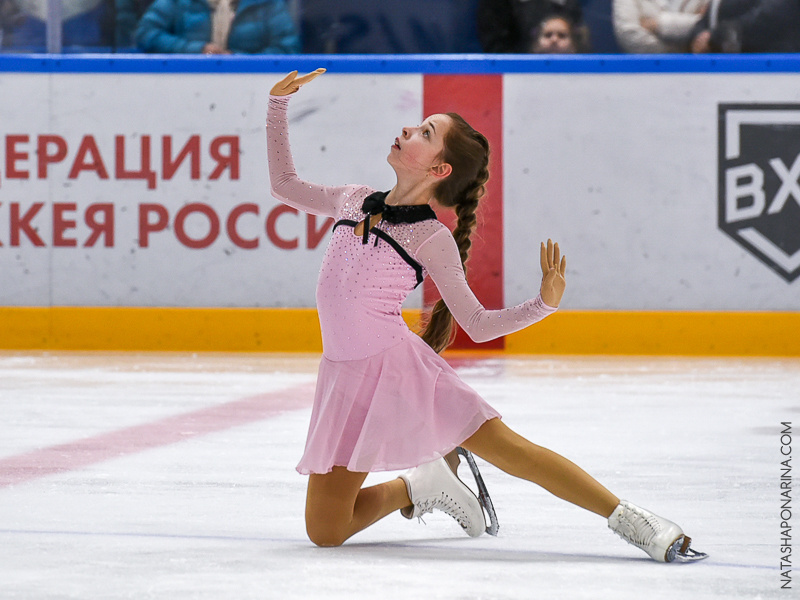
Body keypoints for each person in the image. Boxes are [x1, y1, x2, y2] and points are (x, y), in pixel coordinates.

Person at [266, 69, 707, 563]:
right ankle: (422, 485)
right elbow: (284, 184)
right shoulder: (351, 199)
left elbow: (474, 322)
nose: (409, 131)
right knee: (325, 530)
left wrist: (542, 305)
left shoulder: (430, 238)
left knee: (513, 453)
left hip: (398, 372)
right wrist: (276, 106)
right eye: (417, 125)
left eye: (425, 133)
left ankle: (637, 522)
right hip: (344, 379)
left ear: (440, 170)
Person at [135, 0, 299, 54]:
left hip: (251, 90)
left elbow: (287, 48)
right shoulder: (178, 2)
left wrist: (236, 60)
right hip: (185, 87)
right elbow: (146, 33)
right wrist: (197, 50)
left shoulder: (267, 4)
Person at [689, 0, 800, 53]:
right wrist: (698, 36)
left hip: (775, 74)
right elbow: (710, 16)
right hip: (721, 74)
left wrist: (713, 38)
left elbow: (769, 18)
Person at [477, 0, 583, 53]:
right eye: (548, 35)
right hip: (516, 72)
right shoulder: (498, 5)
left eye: (561, 36)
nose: (554, 39)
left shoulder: (568, 6)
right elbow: (495, 45)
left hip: (569, 73)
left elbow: (578, 35)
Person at [613, 0, 710, 53]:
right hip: (644, 72)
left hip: (696, 71)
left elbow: (710, 26)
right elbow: (629, 33)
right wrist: (680, 50)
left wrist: (660, 24)